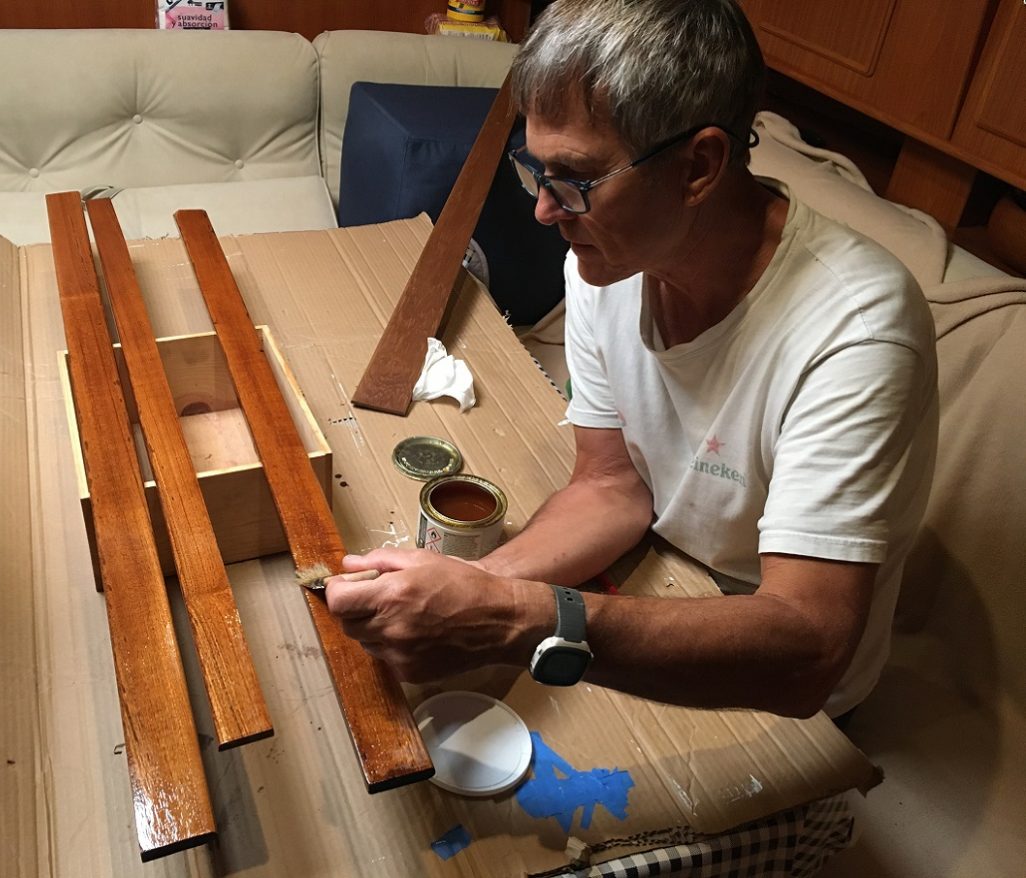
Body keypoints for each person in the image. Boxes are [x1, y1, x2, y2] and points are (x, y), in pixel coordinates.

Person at [326, 0, 938, 722]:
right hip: (658, 580)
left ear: (699, 166)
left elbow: (807, 648)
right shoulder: (609, 264)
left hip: (768, 675)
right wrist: (473, 588)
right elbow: (613, 488)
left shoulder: (856, 332)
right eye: (537, 171)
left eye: (576, 179)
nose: (545, 212)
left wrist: (510, 619)